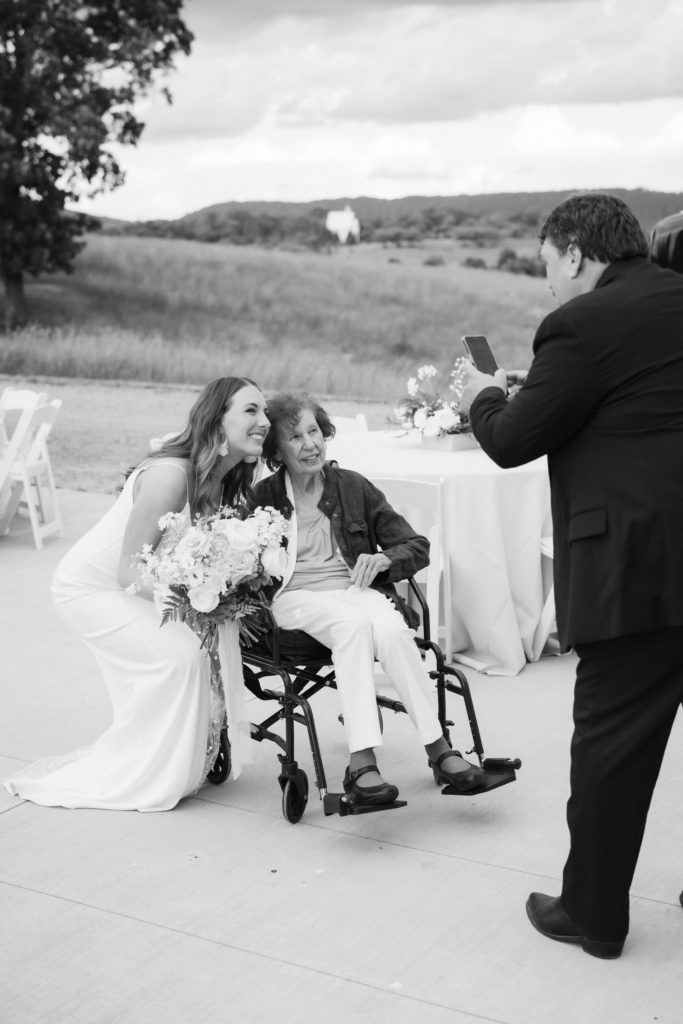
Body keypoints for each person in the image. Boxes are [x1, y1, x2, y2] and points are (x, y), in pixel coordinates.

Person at [459, 192, 683, 959]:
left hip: (638, 575)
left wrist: (483, 395)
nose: (548, 284)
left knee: (610, 755)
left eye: (548, 265)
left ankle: (592, 913)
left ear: (578, 254)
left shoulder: (578, 325)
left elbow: (511, 442)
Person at [4, 376, 270, 811]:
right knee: (180, 658)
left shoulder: (222, 480)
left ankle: (177, 764)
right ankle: (140, 770)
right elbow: (126, 569)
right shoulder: (171, 475)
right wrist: (197, 598)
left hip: (141, 584)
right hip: (89, 588)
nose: (264, 421)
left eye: (264, 411)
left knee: (197, 652)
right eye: (251, 410)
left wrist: (218, 589)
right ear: (217, 421)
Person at [252, 391, 485, 806]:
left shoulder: (352, 487)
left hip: (355, 590)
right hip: (294, 596)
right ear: (277, 450)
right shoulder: (264, 498)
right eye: (296, 437)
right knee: (352, 626)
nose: (310, 444)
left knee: (394, 632)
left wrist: (382, 560)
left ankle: (438, 748)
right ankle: (361, 761)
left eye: (314, 431)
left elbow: (416, 546)